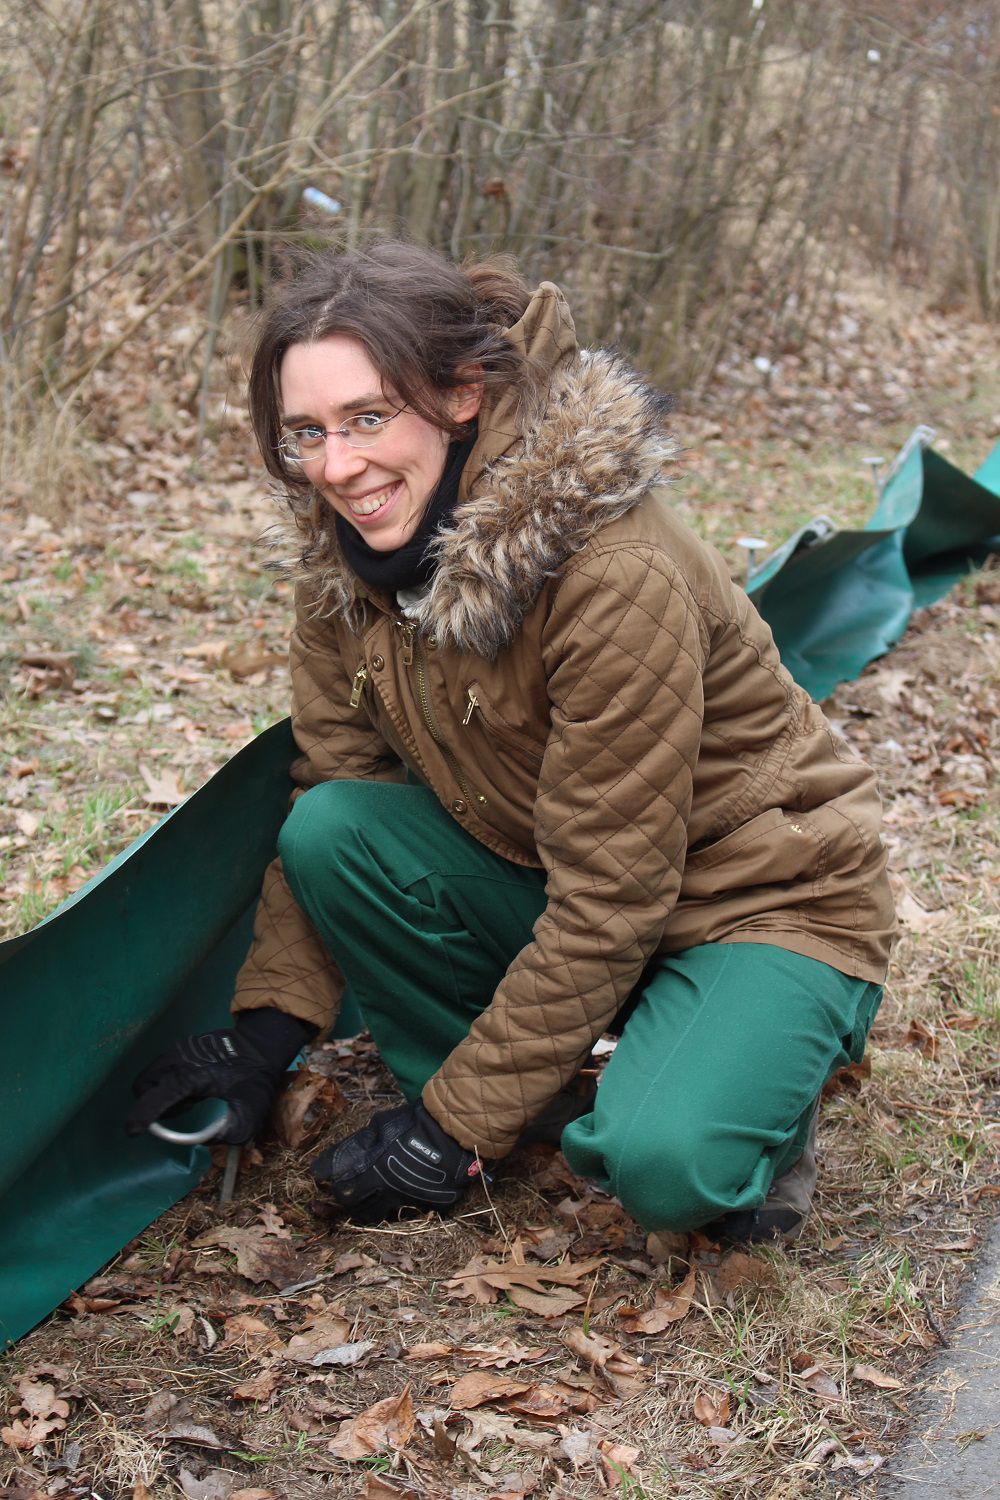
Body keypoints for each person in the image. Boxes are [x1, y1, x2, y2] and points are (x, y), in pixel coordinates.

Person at [127, 239, 895, 1242]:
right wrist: (266, 1036)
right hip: (563, 872)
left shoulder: (612, 572)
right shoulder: (348, 564)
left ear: (460, 395)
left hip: (759, 896)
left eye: (367, 418)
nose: (338, 465)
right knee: (333, 829)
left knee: (666, 1172)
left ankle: (737, 1081)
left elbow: (614, 897)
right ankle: (528, 1105)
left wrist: (443, 1132)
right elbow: (336, 779)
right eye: (307, 433)